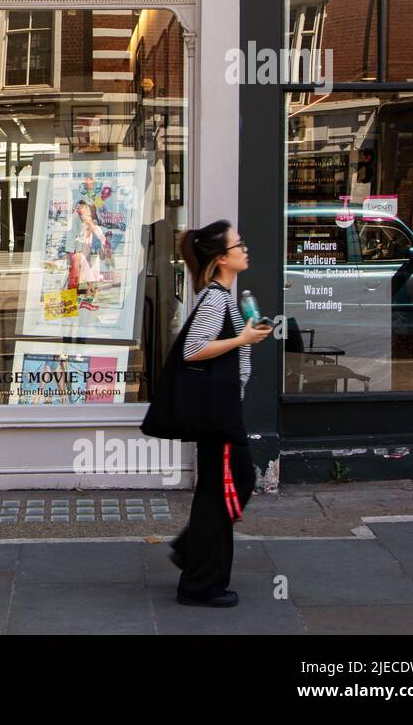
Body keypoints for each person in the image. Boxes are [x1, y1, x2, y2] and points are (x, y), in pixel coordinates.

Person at [168, 220, 271, 608]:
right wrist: (243, 339)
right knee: (232, 484)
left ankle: (198, 566)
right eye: (238, 245)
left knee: (222, 489)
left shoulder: (225, 296)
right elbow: (192, 350)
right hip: (220, 413)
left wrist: (245, 337)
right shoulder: (214, 299)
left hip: (224, 408)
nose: (245, 250)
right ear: (222, 258)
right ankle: (197, 576)